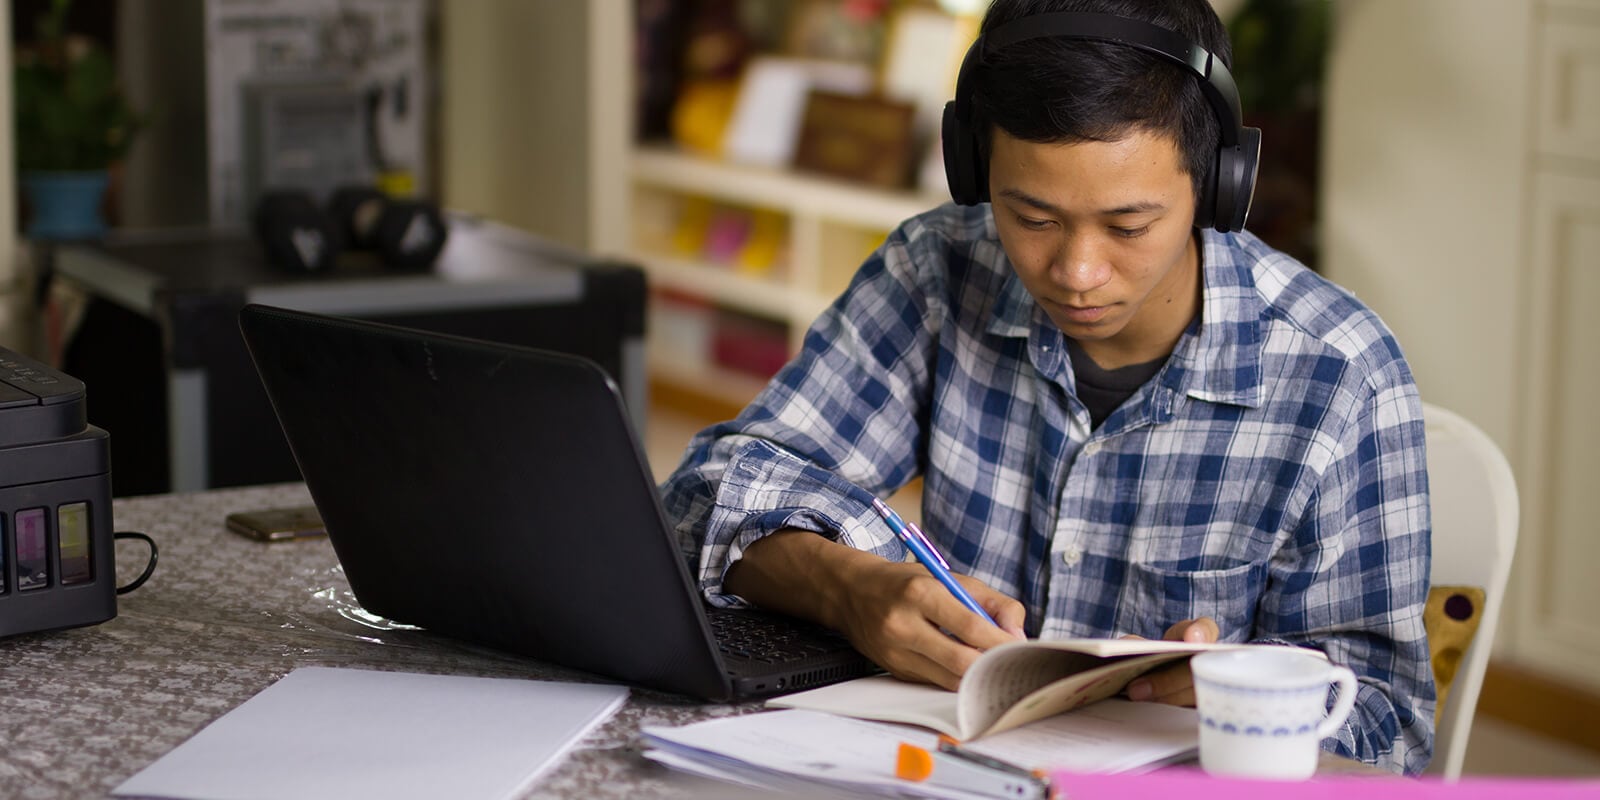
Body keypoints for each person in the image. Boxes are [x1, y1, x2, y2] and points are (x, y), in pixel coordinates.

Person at [659, 0, 1433, 775]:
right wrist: (849, 590)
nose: (1076, 273)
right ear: (973, 166)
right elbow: (702, 496)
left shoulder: (1342, 376)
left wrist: (1241, 703)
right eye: (1031, 216)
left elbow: (1392, 727)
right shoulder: (937, 271)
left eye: (1128, 227)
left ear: (1220, 184)